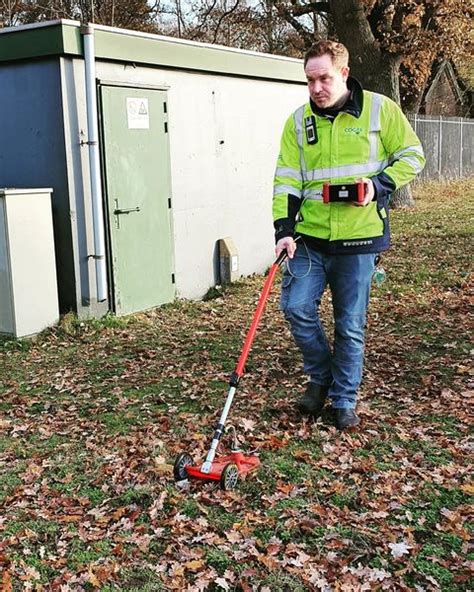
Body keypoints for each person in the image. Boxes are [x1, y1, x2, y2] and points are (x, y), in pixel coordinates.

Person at [273, 40, 425, 429]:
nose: (316, 89)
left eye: (323, 78)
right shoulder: (297, 122)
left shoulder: (380, 109)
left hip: (359, 239)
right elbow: (287, 179)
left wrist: (379, 185)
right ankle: (322, 376)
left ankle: (343, 399)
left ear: (343, 73)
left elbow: (413, 154)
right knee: (295, 308)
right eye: (309, 81)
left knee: (349, 324)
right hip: (309, 238)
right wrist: (283, 230)